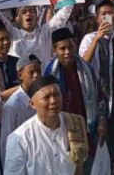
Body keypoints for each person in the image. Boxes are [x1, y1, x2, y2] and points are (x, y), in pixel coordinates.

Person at [44, 28, 107, 168]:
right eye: (62, 48)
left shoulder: (87, 70)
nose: (67, 52)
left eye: (70, 47)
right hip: (63, 134)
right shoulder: (49, 75)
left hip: (88, 130)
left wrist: (102, 120)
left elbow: (100, 96)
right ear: (55, 50)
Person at [78, 0, 114, 165]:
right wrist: (97, 39)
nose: (108, 17)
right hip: (95, 101)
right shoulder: (89, 38)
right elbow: (83, 64)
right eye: (104, 14)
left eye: (111, 13)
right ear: (97, 18)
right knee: (95, 147)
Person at [3, 75, 88, 175]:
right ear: (32, 104)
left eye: (56, 94)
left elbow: (79, 168)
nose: (53, 101)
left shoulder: (75, 124)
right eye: (46, 97)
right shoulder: (20, 139)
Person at [0, 54, 41, 162]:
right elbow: (6, 141)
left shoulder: (42, 97)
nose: (36, 75)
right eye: (31, 72)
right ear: (20, 75)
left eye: (38, 71)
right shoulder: (12, 105)